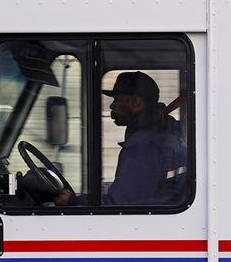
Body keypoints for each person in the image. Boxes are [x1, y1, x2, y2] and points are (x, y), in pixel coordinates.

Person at [55, 71, 184, 207]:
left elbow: (119, 205)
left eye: (117, 100)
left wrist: (72, 201)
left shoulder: (142, 146)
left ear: (136, 102)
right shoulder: (161, 133)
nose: (112, 106)